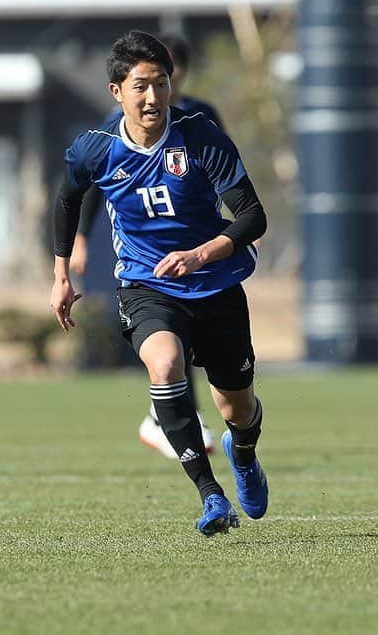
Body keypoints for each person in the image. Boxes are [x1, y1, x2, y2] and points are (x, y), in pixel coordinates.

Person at [50, 30, 268, 535]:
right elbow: (67, 198)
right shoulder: (96, 148)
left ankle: (245, 453)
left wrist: (202, 253)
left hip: (216, 284)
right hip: (146, 284)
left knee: (237, 406)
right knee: (164, 362)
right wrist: (61, 274)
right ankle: (211, 495)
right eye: (142, 86)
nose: (153, 98)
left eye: (162, 84)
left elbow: (252, 216)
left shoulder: (200, 134)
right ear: (116, 92)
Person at [68, 33, 224, 461]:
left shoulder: (200, 117)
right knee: (168, 334)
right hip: (152, 250)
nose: (152, 88)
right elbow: (93, 186)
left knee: (207, 342)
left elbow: (224, 169)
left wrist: (236, 227)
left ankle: (172, 416)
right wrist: (80, 238)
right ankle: (175, 416)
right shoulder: (118, 124)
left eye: (164, 72)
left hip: (199, 246)